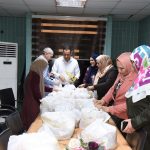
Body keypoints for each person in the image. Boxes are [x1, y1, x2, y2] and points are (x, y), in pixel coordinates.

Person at [94, 52, 137, 131]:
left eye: (122, 68)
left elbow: (130, 104)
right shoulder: (121, 74)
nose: (119, 71)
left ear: (129, 66)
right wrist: (103, 100)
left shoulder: (136, 79)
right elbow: (113, 88)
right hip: (116, 113)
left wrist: (109, 109)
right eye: (118, 68)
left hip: (126, 116)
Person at [122, 45, 150, 149]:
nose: (133, 65)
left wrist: (135, 122)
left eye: (134, 61)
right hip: (138, 129)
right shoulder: (142, 76)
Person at [21, 58, 49, 130]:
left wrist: (52, 89)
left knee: (29, 125)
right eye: (43, 68)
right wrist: (42, 100)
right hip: (32, 104)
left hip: (28, 101)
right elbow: (36, 91)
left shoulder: (31, 73)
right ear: (40, 66)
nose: (43, 70)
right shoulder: (35, 75)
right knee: (34, 125)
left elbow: (38, 86)